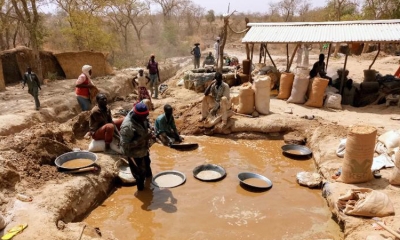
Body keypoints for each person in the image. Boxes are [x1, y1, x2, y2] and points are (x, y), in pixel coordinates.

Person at [120, 102, 155, 191]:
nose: (145, 119)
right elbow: (125, 146)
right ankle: (142, 193)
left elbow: (146, 121)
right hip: (133, 153)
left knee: (147, 166)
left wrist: (151, 127)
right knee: (139, 175)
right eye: (143, 117)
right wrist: (143, 139)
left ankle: (150, 185)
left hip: (143, 149)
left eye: (146, 116)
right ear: (137, 115)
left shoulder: (141, 115)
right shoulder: (128, 126)